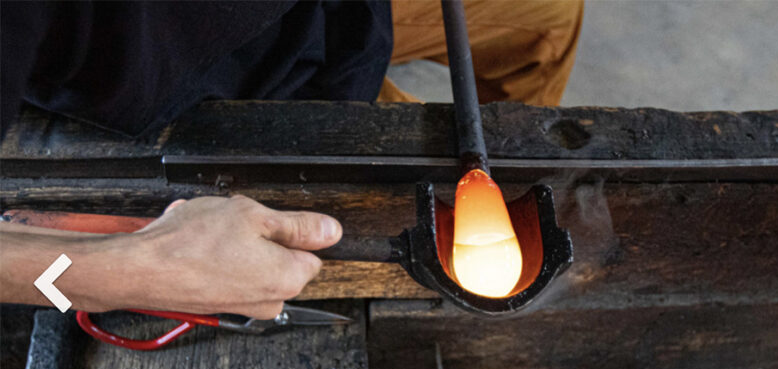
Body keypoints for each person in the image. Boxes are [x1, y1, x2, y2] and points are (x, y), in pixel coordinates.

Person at [0, 0, 582, 318]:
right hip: (217, 83)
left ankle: (504, 178)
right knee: (403, 149)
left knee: (550, 16)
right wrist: (121, 272)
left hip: (327, 15)